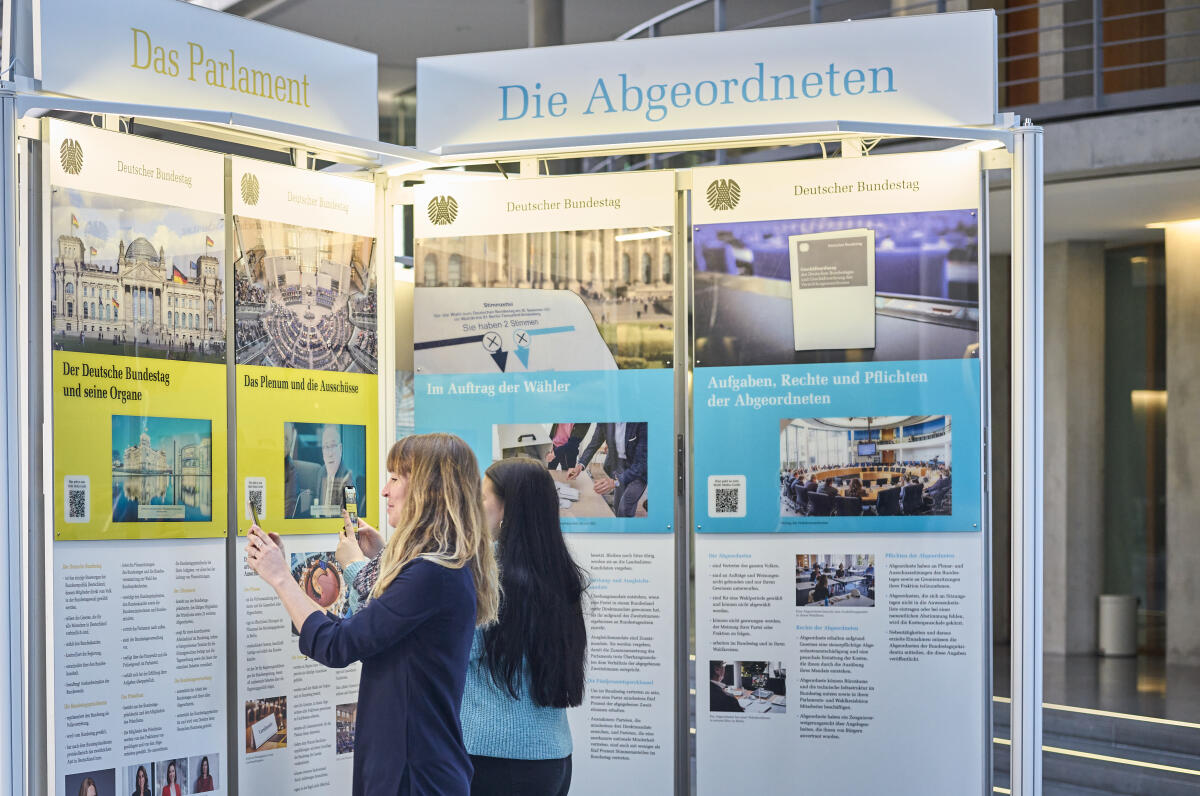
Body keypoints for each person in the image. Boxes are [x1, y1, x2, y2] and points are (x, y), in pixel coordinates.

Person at [245, 433, 499, 796]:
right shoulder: (444, 564)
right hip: (414, 763)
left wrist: (281, 578)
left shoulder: (431, 574)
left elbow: (340, 644)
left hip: (412, 773)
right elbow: (362, 628)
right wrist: (379, 558)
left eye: (396, 478)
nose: (384, 490)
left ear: (427, 489)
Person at [463, 457, 588, 796]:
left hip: (495, 758)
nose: (474, 506)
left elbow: (460, 650)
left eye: (483, 497)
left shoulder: (488, 575)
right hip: (553, 758)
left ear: (507, 509)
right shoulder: (558, 573)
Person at [567, 422, 647, 518]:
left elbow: (641, 464)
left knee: (624, 508)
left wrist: (615, 482)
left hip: (639, 472)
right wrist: (579, 466)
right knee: (617, 507)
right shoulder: (604, 422)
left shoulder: (641, 422)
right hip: (620, 466)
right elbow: (593, 444)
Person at [315, 424, 357, 512]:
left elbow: (352, 517)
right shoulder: (321, 472)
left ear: (340, 449)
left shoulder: (348, 479)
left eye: (333, 446)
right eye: (326, 447)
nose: (330, 453)